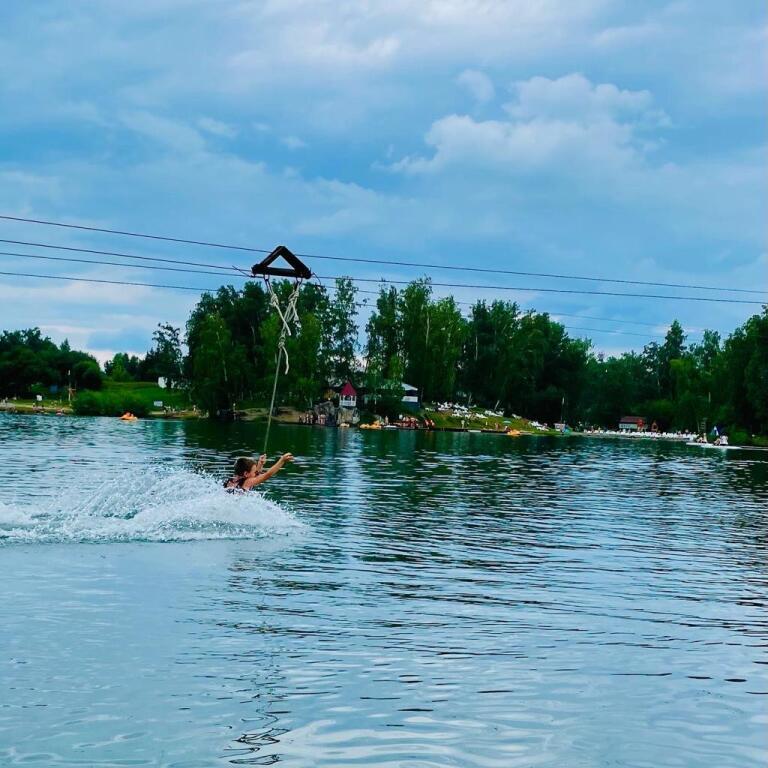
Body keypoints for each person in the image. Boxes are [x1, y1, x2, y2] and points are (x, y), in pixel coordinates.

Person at [224, 453, 293, 491]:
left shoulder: (232, 480)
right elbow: (267, 475)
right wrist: (282, 460)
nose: (256, 473)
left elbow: (255, 475)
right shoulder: (248, 482)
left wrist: (260, 464)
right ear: (246, 474)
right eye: (254, 471)